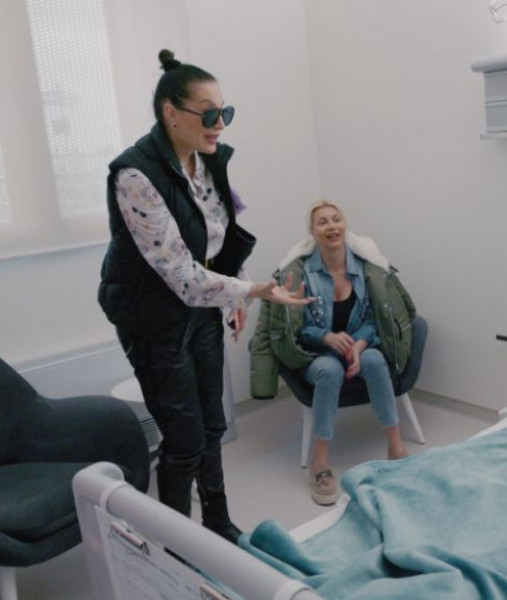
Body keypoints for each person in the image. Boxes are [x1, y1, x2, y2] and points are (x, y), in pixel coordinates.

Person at [98, 49, 310, 543]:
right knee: (184, 441)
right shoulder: (135, 176)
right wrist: (250, 292)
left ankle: (218, 525)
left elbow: (223, 236)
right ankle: (173, 548)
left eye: (225, 112)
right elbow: (181, 274)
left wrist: (235, 296)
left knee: (212, 425)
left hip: (201, 308)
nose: (220, 125)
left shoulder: (209, 162)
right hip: (154, 318)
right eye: (210, 114)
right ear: (171, 113)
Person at [249, 200, 417, 506]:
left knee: (375, 359)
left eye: (336, 219)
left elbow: (374, 318)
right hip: (315, 353)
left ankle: (396, 448)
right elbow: (297, 327)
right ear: (312, 232)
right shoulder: (301, 272)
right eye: (322, 222)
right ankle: (320, 463)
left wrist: (360, 344)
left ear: (345, 225)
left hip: (359, 347)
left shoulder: (366, 267)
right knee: (330, 370)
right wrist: (326, 337)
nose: (331, 226)